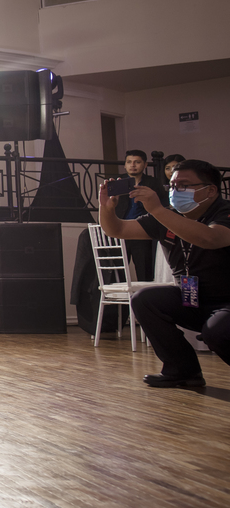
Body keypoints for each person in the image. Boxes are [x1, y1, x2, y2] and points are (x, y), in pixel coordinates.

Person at [99, 159, 230, 387]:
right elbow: (117, 229)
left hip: (226, 301)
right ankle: (182, 370)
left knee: (217, 331)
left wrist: (157, 209)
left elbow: (211, 238)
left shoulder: (225, 212)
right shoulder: (166, 217)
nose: (175, 191)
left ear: (210, 190)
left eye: (183, 185)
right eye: (172, 185)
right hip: (192, 298)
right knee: (145, 299)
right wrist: (106, 209)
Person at [115, 149, 168, 281]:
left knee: (145, 270)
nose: (133, 165)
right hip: (121, 230)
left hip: (142, 230)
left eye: (137, 162)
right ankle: (119, 300)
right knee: (117, 271)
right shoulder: (118, 182)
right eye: (129, 162)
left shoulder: (153, 183)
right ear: (125, 165)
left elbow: (163, 204)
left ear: (145, 165)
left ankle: (145, 298)